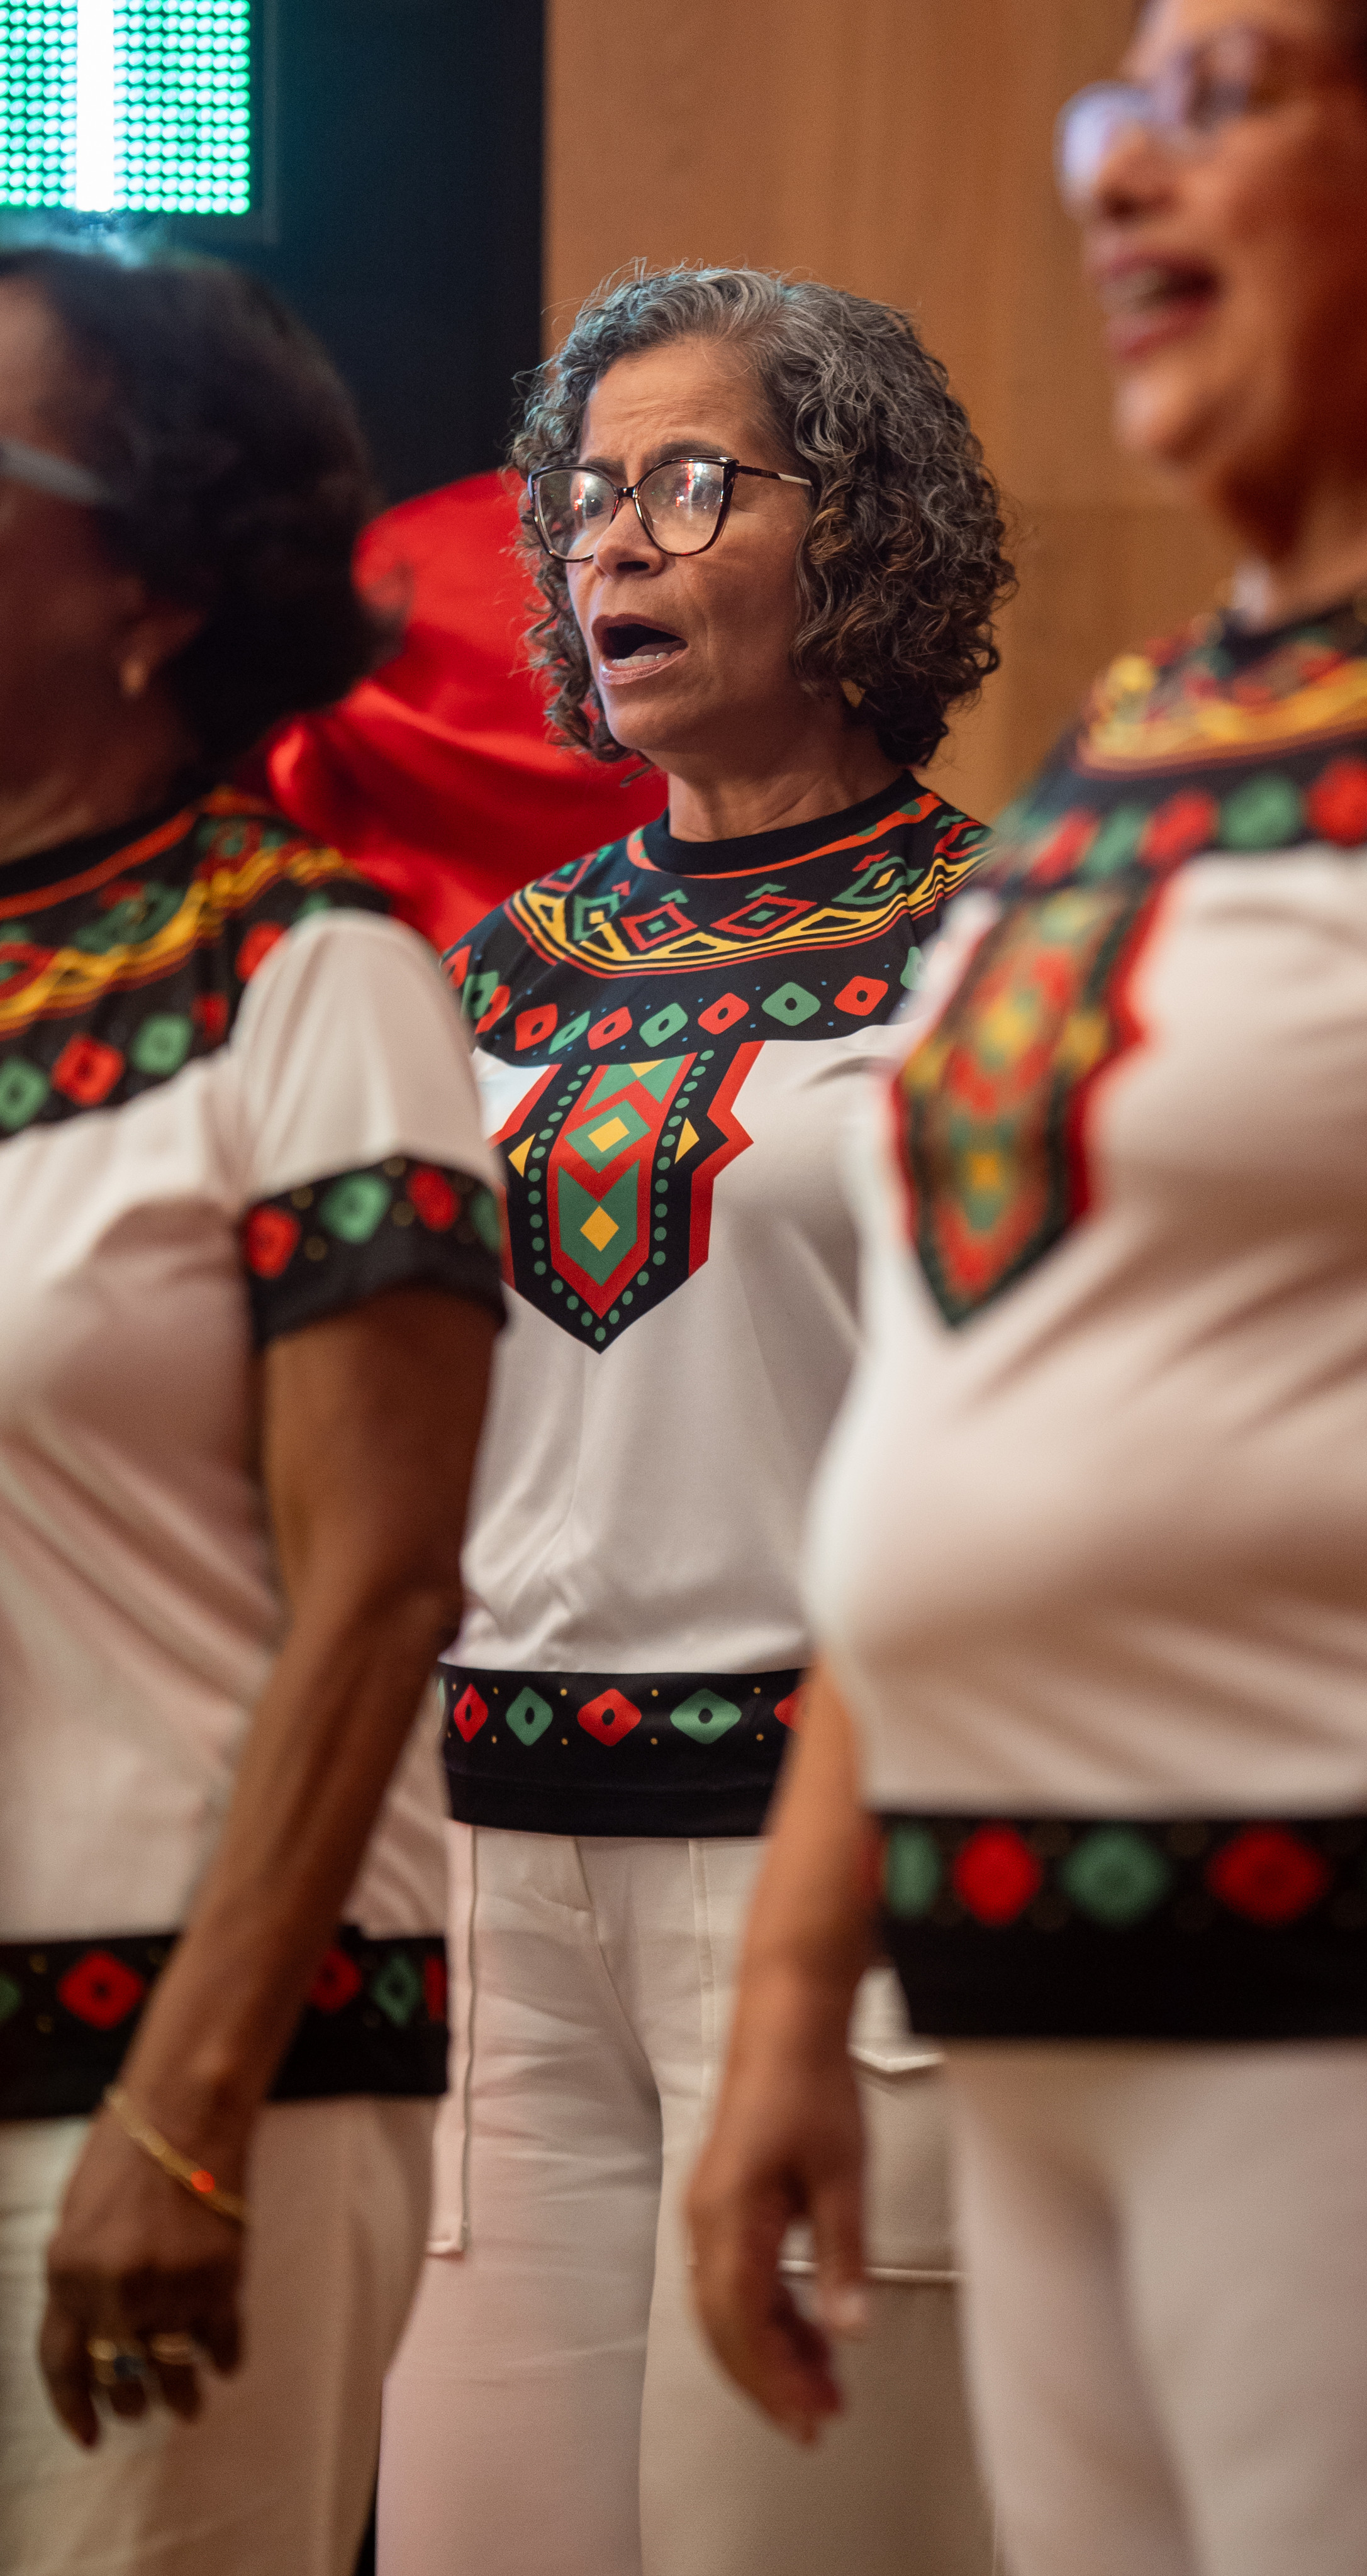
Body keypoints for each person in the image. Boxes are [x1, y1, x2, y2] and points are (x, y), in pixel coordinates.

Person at [690, 5, 1367, 2572]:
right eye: (1113, 108)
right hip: (1025, 2000)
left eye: (1216, 106)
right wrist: (793, 1989)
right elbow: (951, 1393)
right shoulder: (1123, 756)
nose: (1118, 177)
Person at [377, 267, 1012, 2576]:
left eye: (688, 484)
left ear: (859, 529)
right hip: (484, 1883)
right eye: (585, 499)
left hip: (831, 1889)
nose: (611, 545)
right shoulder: (494, 968)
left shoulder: (1000, 945)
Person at [0, 240, 503, 2576]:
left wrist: (183, 2106)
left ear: (157, 588)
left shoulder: (314, 978)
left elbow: (382, 1588)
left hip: (176, 2083)